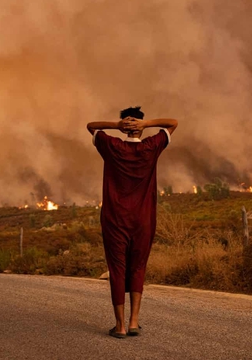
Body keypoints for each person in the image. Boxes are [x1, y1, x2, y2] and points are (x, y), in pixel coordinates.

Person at [87, 107, 178, 339]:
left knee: (117, 269)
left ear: (124, 124)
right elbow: (173, 123)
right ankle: (134, 322)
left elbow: (91, 126)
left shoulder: (112, 146)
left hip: (115, 219)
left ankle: (120, 327)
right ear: (139, 125)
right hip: (143, 219)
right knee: (138, 267)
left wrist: (116, 126)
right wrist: (147, 124)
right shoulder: (151, 147)